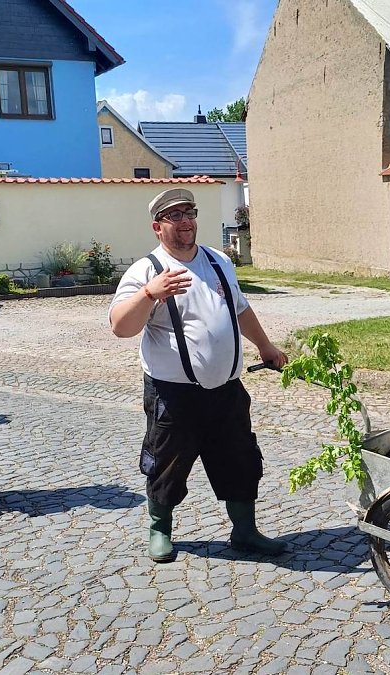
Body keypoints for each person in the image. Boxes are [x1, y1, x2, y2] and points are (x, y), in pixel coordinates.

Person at [109, 188, 289, 563]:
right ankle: (159, 530)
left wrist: (266, 347)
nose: (185, 221)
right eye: (174, 215)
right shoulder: (147, 270)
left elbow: (240, 310)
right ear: (157, 227)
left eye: (188, 212)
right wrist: (149, 294)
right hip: (173, 395)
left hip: (226, 390)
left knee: (239, 459)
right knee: (166, 464)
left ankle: (245, 530)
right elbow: (120, 327)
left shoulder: (219, 260)